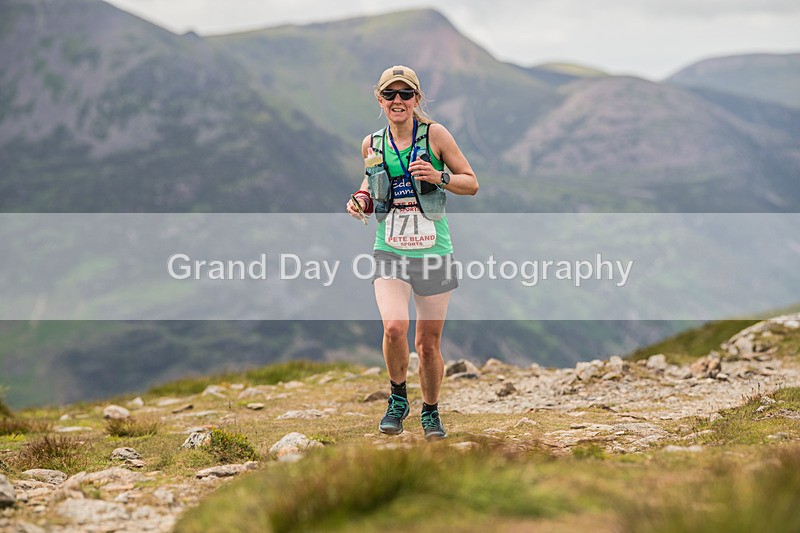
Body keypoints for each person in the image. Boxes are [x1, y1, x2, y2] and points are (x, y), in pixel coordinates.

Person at [346, 65, 478, 440]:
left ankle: (431, 412)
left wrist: (441, 177)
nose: (398, 101)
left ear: (417, 99)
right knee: (394, 328)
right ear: (380, 99)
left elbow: (472, 183)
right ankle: (398, 398)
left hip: (434, 250)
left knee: (428, 342)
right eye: (390, 94)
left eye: (406, 94)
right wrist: (361, 199)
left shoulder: (435, 135)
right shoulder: (372, 143)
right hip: (390, 248)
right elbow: (370, 184)